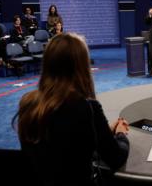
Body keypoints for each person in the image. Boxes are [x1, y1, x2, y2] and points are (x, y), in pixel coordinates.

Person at [14, 33, 129, 186]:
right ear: (81, 66)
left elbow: (63, 144)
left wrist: (105, 130)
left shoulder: (28, 103)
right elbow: (116, 157)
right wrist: (120, 133)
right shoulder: (87, 107)